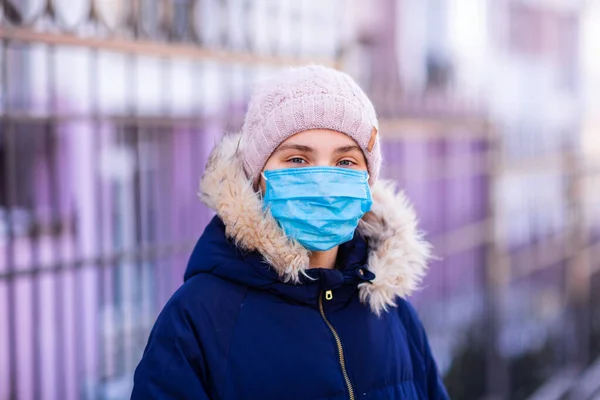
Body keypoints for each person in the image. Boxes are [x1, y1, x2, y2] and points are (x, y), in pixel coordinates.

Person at [131, 65, 449, 400]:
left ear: (368, 180)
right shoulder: (196, 320)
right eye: (297, 160)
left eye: (345, 163)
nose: (324, 184)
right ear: (258, 176)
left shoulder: (393, 312)